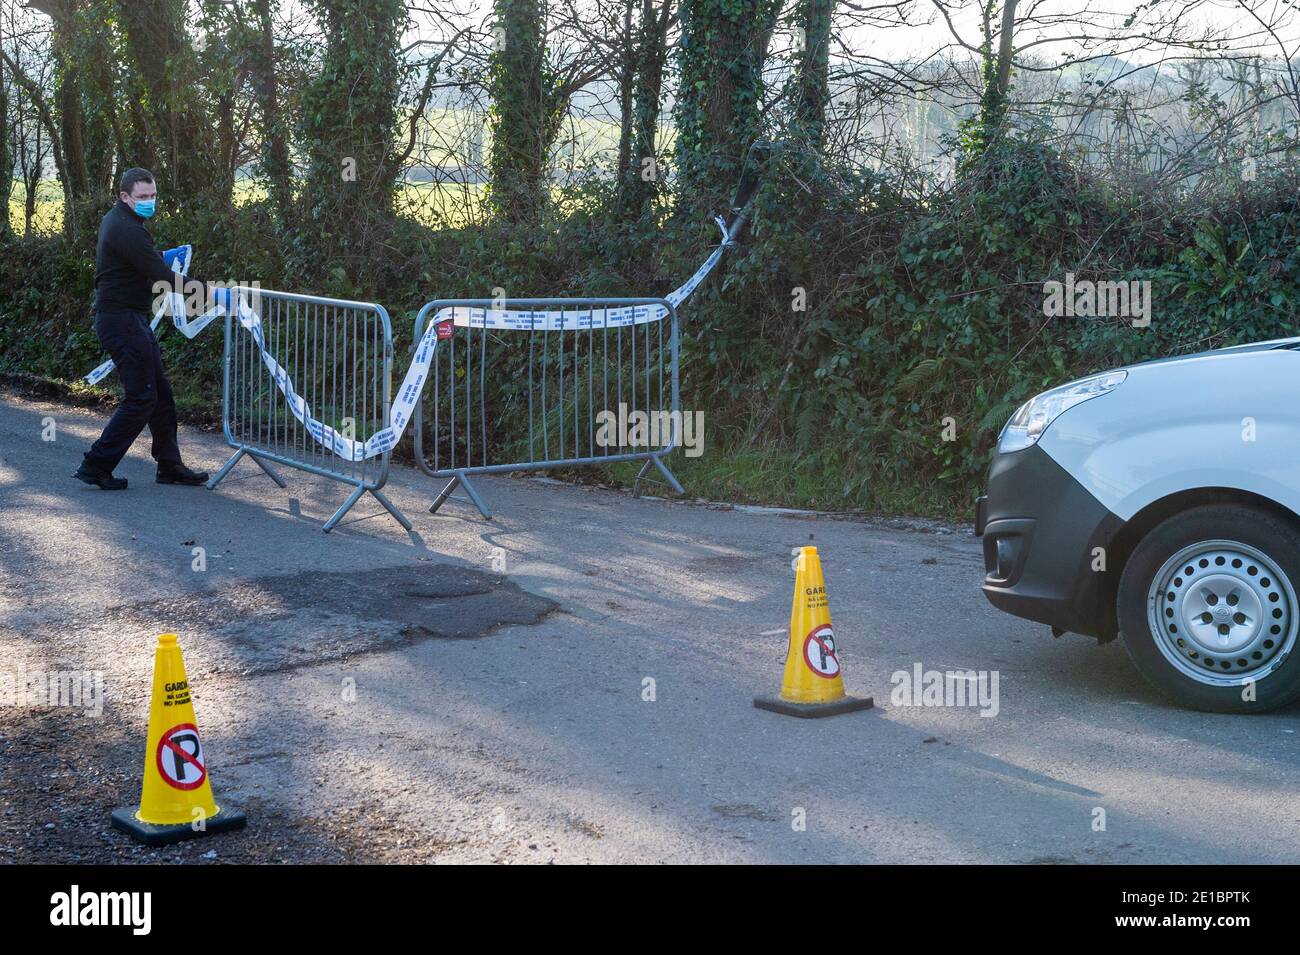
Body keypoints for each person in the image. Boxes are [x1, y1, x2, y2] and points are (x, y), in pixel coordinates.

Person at [75, 168, 224, 490]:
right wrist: (212, 292)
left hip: (130, 320)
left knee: (161, 395)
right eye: (143, 197)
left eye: (153, 196)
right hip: (122, 322)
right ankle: (96, 465)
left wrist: (162, 256)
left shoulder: (120, 221)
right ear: (125, 196)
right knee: (141, 397)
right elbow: (160, 276)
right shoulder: (126, 228)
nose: (150, 202)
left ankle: (169, 466)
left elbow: (140, 262)